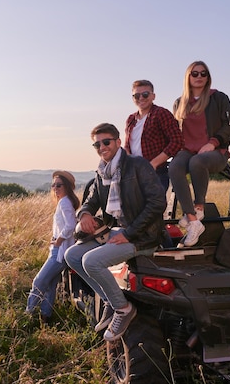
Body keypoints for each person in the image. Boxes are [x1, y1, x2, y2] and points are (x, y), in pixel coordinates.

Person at [64, 123, 166, 341]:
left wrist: (129, 234)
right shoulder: (102, 171)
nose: (102, 147)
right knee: (71, 255)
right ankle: (110, 300)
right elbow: (91, 200)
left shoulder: (138, 165)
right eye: (97, 144)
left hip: (142, 236)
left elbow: (158, 203)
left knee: (91, 261)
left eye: (106, 142)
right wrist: (84, 215)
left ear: (118, 142)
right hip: (115, 231)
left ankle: (123, 308)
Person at [169, 61, 230, 248]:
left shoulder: (218, 98)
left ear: (208, 77)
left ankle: (199, 206)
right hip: (187, 150)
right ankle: (193, 220)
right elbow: (174, 133)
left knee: (197, 162)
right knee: (174, 167)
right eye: (195, 73)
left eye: (203, 73)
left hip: (215, 152)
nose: (199, 77)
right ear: (188, 77)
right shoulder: (179, 103)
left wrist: (213, 142)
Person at [26, 170, 79, 324]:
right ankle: (45, 317)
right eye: (53, 185)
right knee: (50, 285)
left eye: (59, 185)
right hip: (58, 249)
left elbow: (71, 225)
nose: (55, 188)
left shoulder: (64, 202)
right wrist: (55, 237)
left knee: (39, 281)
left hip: (59, 251)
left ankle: (28, 314)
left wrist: (59, 240)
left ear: (67, 186)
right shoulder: (64, 201)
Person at [125, 79, 184, 191]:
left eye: (145, 94)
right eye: (136, 96)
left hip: (156, 173)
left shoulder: (161, 113)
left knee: (154, 206)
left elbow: (177, 141)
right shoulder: (130, 119)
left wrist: (153, 164)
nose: (141, 98)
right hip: (135, 174)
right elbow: (128, 146)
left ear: (153, 96)